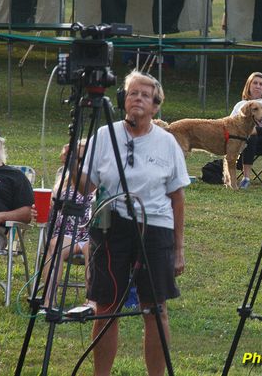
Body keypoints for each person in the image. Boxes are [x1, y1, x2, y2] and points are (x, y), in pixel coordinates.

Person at [80, 71, 189, 376]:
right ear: (122, 101)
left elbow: (177, 198)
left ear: (155, 106)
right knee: (105, 307)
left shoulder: (167, 143)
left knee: (155, 309)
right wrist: (75, 165)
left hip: (154, 229)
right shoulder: (104, 136)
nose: (138, 98)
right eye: (132, 93)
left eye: (145, 95)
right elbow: (84, 188)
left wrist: (178, 249)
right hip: (111, 226)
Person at [37, 140, 93, 308]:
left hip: (92, 232)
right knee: (54, 246)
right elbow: (52, 208)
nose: (79, 162)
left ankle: (91, 301)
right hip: (67, 232)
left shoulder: (100, 179)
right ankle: (48, 301)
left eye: (84, 159)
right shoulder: (63, 181)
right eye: (75, 158)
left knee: (94, 248)